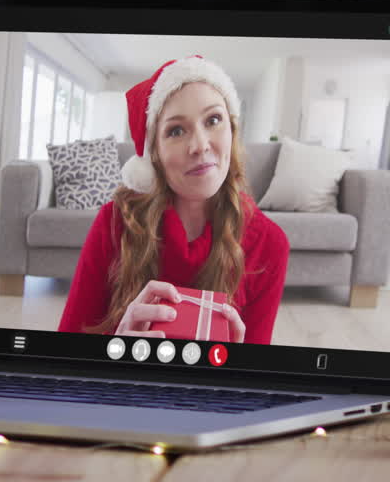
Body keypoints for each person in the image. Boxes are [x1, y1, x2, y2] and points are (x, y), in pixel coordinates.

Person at [57, 56, 288, 345]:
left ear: (231, 129)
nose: (200, 145)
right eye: (176, 130)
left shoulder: (270, 243)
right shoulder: (115, 221)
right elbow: (65, 351)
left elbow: (254, 380)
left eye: (213, 120)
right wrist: (115, 345)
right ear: (154, 155)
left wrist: (239, 368)